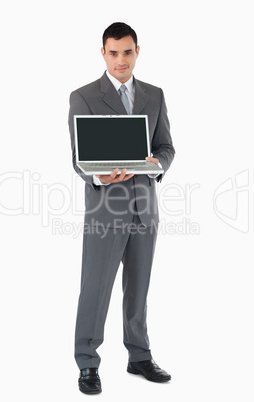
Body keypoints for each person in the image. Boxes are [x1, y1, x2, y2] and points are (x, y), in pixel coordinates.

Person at [68, 22, 175, 395]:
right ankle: (87, 361)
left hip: (145, 207)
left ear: (137, 52)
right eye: (113, 53)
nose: (120, 60)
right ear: (103, 53)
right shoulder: (84, 97)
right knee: (95, 288)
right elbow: (80, 158)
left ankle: (139, 355)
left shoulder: (155, 95)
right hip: (105, 210)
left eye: (127, 52)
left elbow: (166, 147)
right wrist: (100, 178)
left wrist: (155, 164)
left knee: (139, 288)